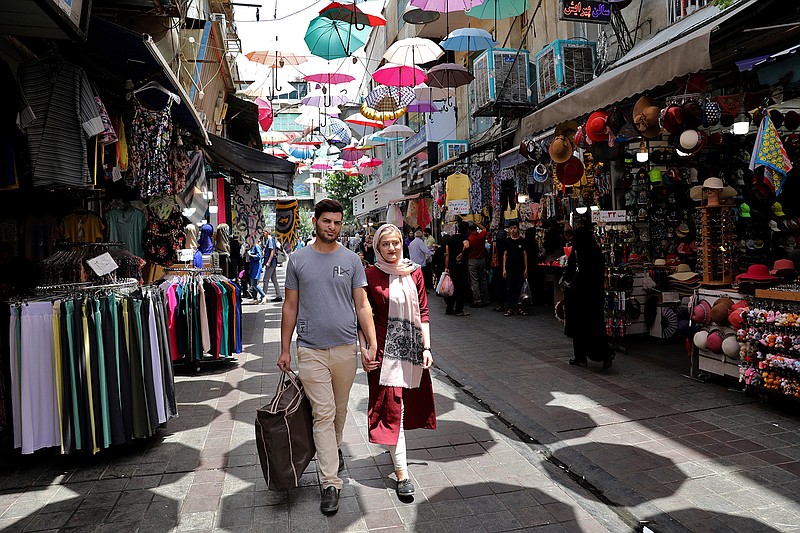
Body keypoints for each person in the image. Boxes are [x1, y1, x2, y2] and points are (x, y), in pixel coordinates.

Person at [277, 199, 378, 515]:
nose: (332, 227)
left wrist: (370, 343)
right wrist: (284, 349)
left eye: (336, 222)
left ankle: (332, 449)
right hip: (310, 350)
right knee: (323, 413)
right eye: (326, 221)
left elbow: (362, 305)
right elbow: (290, 306)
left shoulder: (351, 260)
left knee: (339, 409)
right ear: (315, 221)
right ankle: (330, 482)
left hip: (346, 348)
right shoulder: (298, 261)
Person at [360, 224, 435, 499]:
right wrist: (364, 350)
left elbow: (424, 312)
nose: (391, 249)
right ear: (376, 247)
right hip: (382, 354)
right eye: (385, 244)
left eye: (395, 243)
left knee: (401, 408)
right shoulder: (369, 275)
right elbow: (361, 317)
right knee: (393, 410)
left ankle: (395, 454)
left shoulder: (414, 271)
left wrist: (426, 348)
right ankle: (402, 473)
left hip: (412, 350)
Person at [562, 225, 614, 369]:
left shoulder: (577, 252)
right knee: (596, 326)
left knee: (579, 328)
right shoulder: (596, 252)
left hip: (579, 297)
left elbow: (571, 272)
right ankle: (605, 353)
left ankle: (580, 358)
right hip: (595, 296)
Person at [444, 221, 470, 316]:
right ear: (466, 230)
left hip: (452, 266)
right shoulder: (464, 238)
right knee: (461, 288)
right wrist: (462, 254)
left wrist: (446, 267)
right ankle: (459, 310)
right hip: (461, 266)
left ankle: (449, 308)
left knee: (452, 287)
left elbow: (447, 254)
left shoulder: (450, 239)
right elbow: (466, 245)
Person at [502, 221, 528, 316]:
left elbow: (525, 255)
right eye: (511, 228)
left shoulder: (522, 241)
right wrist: (504, 269)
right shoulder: (507, 241)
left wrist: (526, 269)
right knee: (510, 289)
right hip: (510, 269)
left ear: (518, 229)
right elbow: (505, 255)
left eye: (514, 228)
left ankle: (520, 307)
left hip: (520, 269)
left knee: (519, 289)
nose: (513, 230)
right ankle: (510, 308)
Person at [465, 221, 490, 307]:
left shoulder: (470, 239)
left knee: (474, 281)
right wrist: (476, 223)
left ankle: (477, 300)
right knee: (483, 280)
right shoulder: (481, 236)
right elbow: (484, 229)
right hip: (481, 259)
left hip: (472, 260)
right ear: (476, 229)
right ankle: (486, 299)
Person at [261, 229, 283, 302]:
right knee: (274, 279)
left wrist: (268, 262)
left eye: (264, 232)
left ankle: (263, 296)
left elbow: (272, 251)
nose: (262, 233)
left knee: (265, 280)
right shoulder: (270, 240)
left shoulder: (270, 240)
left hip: (271, 263)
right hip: (273, 263)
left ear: (267, 232)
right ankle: (278, 295)